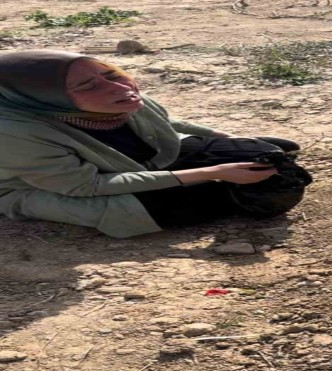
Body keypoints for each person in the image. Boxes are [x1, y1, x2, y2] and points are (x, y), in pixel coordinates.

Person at [0, 50, 311, 238]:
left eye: (111, 74)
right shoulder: (15, 132)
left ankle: (229, 186)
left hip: (140, 161)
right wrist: (211, 173)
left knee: (262, 156)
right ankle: (225, 195)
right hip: (61, 187)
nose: (118, 86)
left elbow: (163, 120)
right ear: (43, 98)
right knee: (150, 212)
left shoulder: (118, 92)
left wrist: (226, 138)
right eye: (88, 85)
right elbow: (87, 185)